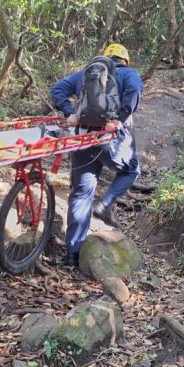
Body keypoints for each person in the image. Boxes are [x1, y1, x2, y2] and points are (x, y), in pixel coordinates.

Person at [50, 43, 143, 267]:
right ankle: (105, 205)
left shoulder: (84, 74)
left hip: (83, 139)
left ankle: (72, 256)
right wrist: (119, 120)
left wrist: (70, 113)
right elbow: (133, 94)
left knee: (81, 194)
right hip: (111, 139)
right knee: (131, 170)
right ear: (125, 60)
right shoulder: (129, 74)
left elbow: (57, 90)